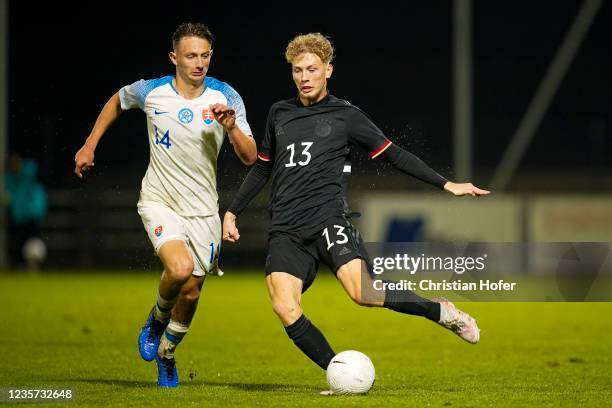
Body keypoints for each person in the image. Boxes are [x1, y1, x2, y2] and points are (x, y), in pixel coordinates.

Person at [222, 33, 489, 389]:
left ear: (328, 70)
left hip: (328, 220)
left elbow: (394, 154)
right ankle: (340, 374)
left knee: (364, 293)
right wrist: (232, 211)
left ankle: (441, 312)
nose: (304, 77)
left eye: (312, 69)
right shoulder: (278, 113)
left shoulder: (346, 116)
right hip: (286, 229)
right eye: (298, 70)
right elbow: (262, 166)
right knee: (284, 306)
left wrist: (446, 184)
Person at [74, 22, 256, 387]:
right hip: (160, 201)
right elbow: (116, 101)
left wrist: (233, 127)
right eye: (191, 55)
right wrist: (90, 144)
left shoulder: (225, 96)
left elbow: (250, 158)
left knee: (190, 292)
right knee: (178, 269)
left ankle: (167, 354)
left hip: (204, 210)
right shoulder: (152, 91)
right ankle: (156, 321)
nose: (199, 62)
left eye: (205, 55)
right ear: (174, 57)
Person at [5, 153, 48, 269]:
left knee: (33, 241)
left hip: (32, 214)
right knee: (21, 242)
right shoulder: (11, 179)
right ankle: (24, 264)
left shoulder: (27, 174)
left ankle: (35, 264)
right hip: (19, 216)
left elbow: (31, 167)